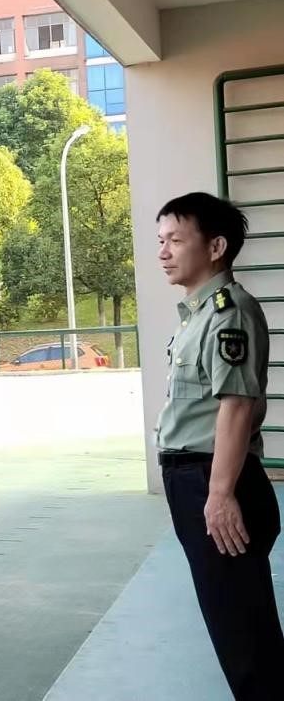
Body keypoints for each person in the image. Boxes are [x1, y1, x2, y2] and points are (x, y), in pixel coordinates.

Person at [155, 192, 284, 699]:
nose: (163, 251)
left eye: (175, 240)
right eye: (160, 240)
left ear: (216, 247)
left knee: (244, 633)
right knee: (236, 622)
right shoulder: (198, 314)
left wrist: (220, 494)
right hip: (198, 480)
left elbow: (236, 406)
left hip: (214, 479)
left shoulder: (229, 314)